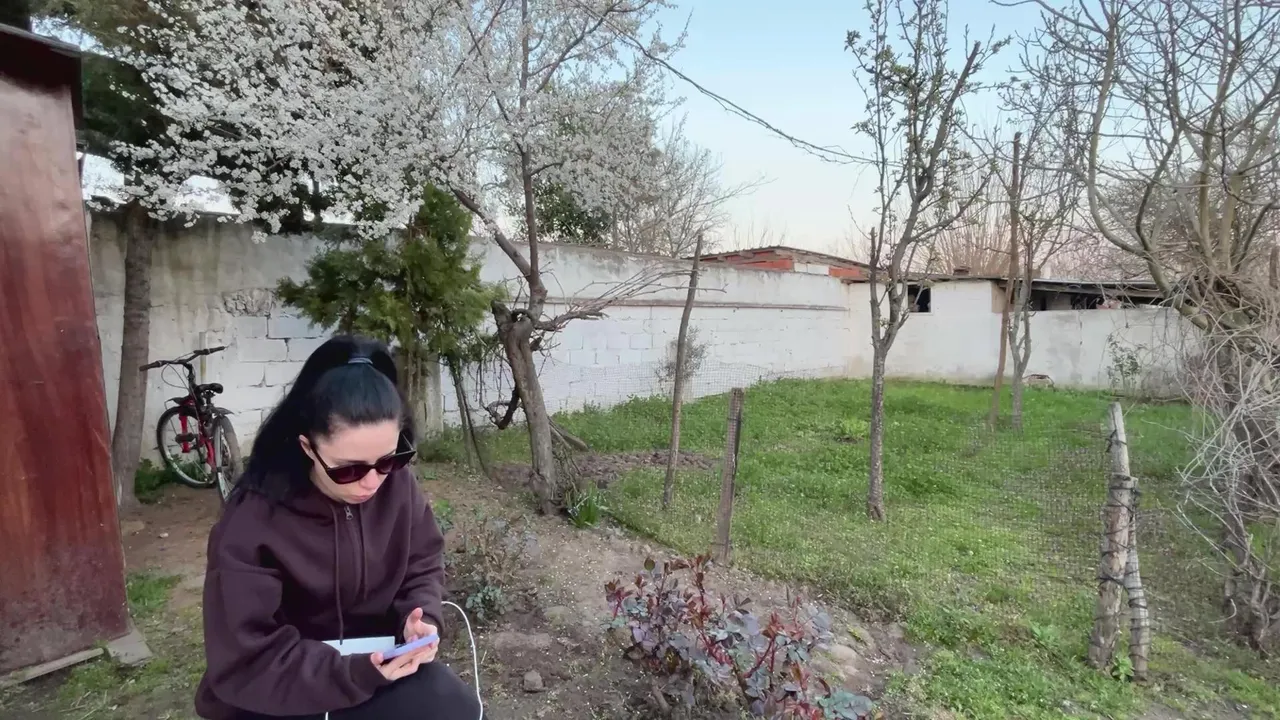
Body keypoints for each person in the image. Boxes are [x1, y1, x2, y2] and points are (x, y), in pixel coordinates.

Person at [194, 335, 480, 720]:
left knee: (456, 707)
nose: (372, 482)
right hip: (281, 689)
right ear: (307, 447)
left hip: (375, 666)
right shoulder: (252, 522)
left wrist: (420, 616)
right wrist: (352, 672)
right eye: (348, 469)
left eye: (389, 460)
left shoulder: (397, 485)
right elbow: (249, 656)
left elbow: (422, 561)